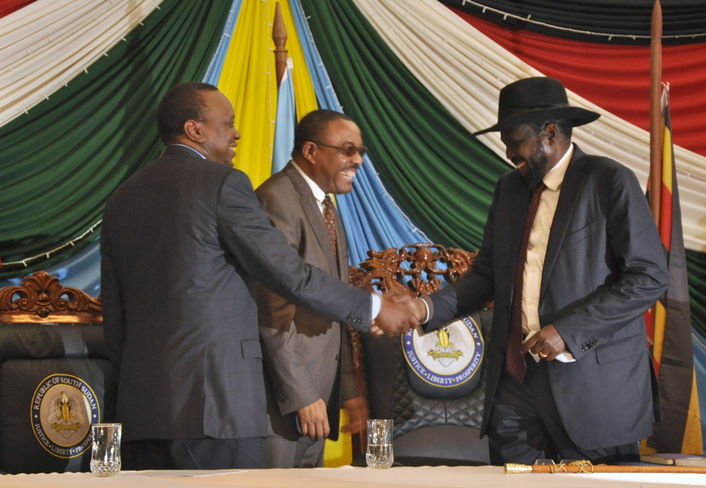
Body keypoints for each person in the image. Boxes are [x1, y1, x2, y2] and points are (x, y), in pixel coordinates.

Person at [101, 82, 415, 470]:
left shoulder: (121, 198)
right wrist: (372, 307)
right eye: (227, 123)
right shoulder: (222, 184)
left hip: (141, 413)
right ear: (195, 130)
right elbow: (289, 274)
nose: (236, 133)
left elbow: (114, 317)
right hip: (217, 410)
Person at [411, 77, 669, 465]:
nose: (508, 151)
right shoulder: (508, 190)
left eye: (515, 140)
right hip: (515, 386)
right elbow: (487, 276)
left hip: (592, 390)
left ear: (550, 133)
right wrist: (424, 310)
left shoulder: (609, 181)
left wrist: (568, 332)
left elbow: (648, 276)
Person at [253, 110, 368, 467]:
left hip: (320, 393)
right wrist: (302, 394)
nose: (358, 161)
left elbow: (336, 307)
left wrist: (349, 390)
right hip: (281, 401)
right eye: (348, 150)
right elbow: (270, 309)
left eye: (360, 151)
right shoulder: (277, 199)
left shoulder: (326, 206)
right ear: (311, 151)